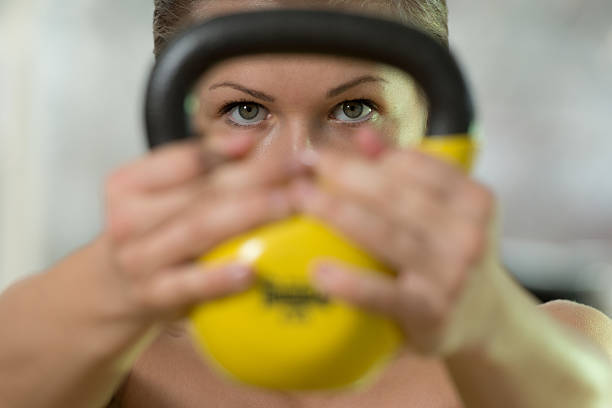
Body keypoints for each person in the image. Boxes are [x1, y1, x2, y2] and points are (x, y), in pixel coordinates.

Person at [1, 0, 611, 407]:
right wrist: (115, 282)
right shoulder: (111, 360)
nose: (298, 164)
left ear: (431, 121)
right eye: (245, 110)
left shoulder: (541, 351)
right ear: (176, 118)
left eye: (353, 110)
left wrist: (493, 328)